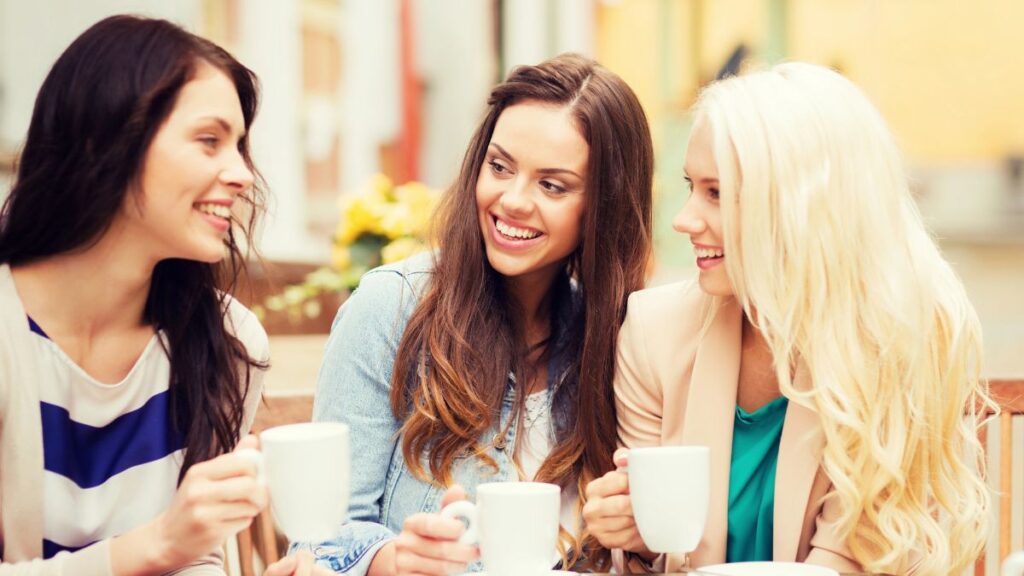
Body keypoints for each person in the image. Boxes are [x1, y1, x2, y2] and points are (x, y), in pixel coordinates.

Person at [583, 62, 993, 576]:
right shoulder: (654, 331)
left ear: (799, 206)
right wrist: (636, 537)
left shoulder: (903, 338)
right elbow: (655, 558)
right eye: (691, 186)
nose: (683, 219)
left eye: (716, 193)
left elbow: (856, 560)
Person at [267, 53, 654, 576]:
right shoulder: (391, 308)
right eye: (499, 166)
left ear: (603, 206)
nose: (511, 200)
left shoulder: (619, 335)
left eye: (552, 185)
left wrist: (640, 534)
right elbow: (319, 542)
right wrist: (396, 560)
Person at [0, 15, 270, 575]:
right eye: (208, 141)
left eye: (240, 146)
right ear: (109, 137)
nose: (243, 173)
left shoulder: (230, 342)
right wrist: (155, 548)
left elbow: (198, 559)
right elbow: (170, 549)